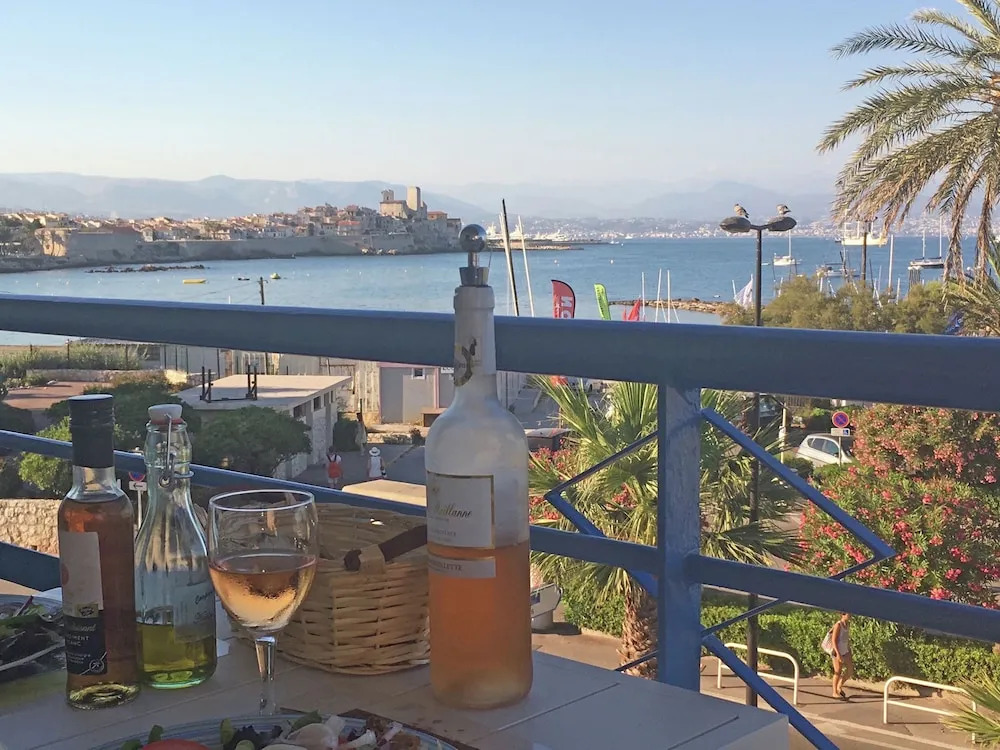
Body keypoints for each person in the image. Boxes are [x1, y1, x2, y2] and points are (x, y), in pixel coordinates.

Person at [829, 612, 852, 700]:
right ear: (843, 615)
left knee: (850, 671)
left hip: (845, 651)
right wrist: (838, 654)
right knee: (837, 671)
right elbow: (833, 640)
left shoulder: (847, 625)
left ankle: (839, 686)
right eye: (848, 614)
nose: (850, 615)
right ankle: (834, 692)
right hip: (837, 652)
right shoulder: (838, 625)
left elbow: (846, 639)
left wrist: (849, 650)